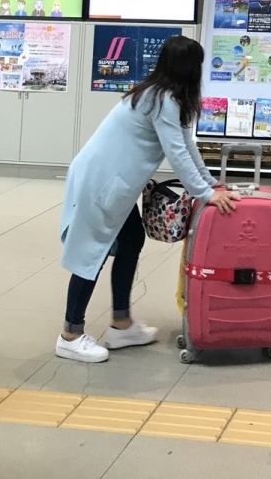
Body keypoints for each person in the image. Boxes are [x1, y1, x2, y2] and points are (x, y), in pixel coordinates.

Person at [57, 35, 239, 363]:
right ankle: (70, 335)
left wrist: (211, 183)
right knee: (90, 253)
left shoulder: (163, 95)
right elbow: (176, 154)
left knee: (130, 240)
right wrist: (205, 194)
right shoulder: (162, 99)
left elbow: (186, 145)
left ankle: (121, 324)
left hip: (114, 183)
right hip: (100, 182)